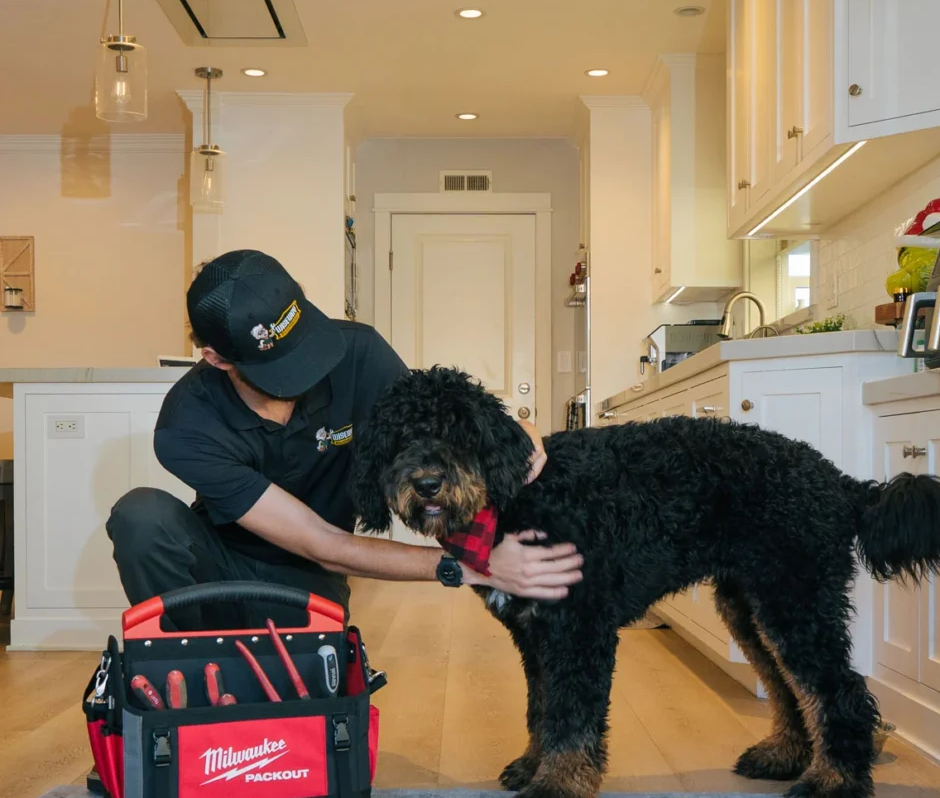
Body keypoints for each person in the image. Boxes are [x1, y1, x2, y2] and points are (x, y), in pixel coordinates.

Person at [106, 249, 583, 631]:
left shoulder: (358, 353)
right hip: (221, 566)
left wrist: (519, 432)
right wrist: (475, 568)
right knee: (140, 515)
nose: (303, 376)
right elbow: (320, 540)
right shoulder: (187, 424)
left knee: (302, 703)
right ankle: (182, 661)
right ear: (217, 358)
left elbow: (436, 426)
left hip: (308, 579)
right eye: (279, 369)